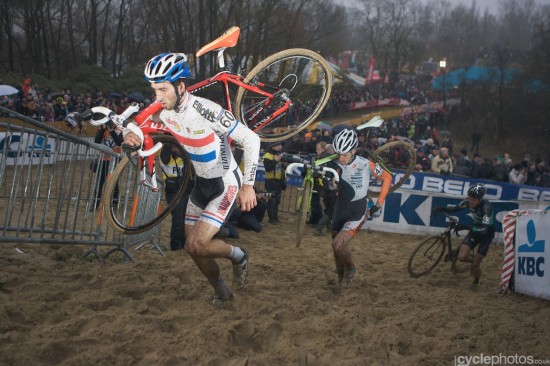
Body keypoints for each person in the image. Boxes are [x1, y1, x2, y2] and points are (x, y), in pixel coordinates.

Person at [123, 53, 261, 304]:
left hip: (225, 184)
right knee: (193, 248)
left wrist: (249, 185)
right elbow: (135, 125)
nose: (158, 97)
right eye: (154, 90)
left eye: (163, 89)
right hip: (201, 184)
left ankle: (239, 256)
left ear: (181, 86)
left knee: (197, 244)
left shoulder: (206, 110)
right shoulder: (162, 111)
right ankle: (222, 292)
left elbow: (251, 139)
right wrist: (129, 135)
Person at [327, 128, 392, 287]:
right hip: (339, 210)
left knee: (338, 244)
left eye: (345, 154)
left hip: (357, 212)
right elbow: (329, 183)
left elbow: (387, 177)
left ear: (353, 151)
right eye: (339, 154)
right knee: (335, 249)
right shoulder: (333, 164)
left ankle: (351, 268)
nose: (341, 158)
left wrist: (379, 203)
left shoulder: (365, 164)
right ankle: (340, 280)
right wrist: (330, 183)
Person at [431, 183, 494, 289]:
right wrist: (440, 208)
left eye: (473, 199)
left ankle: (476, 280)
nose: (471, 201)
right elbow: (455, 209)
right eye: (469, 198)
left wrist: (465, 227)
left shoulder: (487, 207)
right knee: (461, 257)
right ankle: (474, 259)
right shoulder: (468, 202)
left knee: (475, 265)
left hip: (486, 235)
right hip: (474, 231)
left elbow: (484, 229)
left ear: (480, 199)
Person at [160, 145, 193, 251]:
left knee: (185, 218)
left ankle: (184, 243)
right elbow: (166, 151)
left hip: (186, 190)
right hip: (173, 191)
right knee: (178, 218)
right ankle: (176, 245)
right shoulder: (166, 155)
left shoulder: (184, 157)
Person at [94, 119, 123, 207]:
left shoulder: (119, 131)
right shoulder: (102, 130)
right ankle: (96, 202)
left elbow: (119, 142)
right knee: (100, 182)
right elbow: (97, 141)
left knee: (114, 182)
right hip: (103, 159)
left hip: (115, 159)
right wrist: (102, 130)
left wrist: (112, 131)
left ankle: (114, 202)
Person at [262, 141, 286, 224]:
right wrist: (275, 160)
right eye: (278, 145)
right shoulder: (267, 156)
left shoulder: (279, 155)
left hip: (279, 181)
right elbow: (268, 168)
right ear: (273, 146)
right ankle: (271, 219)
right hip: (271, 181)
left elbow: (281, 169)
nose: (280, 146)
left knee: (277, 201)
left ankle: (275, 217)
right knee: (272, 201)